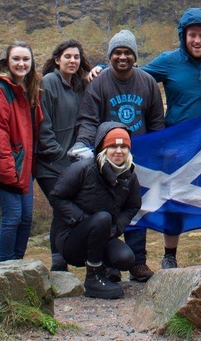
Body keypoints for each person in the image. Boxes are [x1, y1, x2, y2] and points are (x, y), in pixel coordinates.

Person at [137, 8, 201, 268]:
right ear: (183, 36)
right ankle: (170, 255)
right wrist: (102, 69)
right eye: (192, 35)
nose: (198, 40)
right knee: (173, 197)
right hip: (177, 146)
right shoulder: (168, 61)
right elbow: (136, 76)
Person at [76, 30, 165, 282]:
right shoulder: (99, 83)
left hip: (137, 160)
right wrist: (84, 145)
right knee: (106, 211)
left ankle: (138, 262)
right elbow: (88, 119)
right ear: (110, 56)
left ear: (134, 56)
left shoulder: (147, 82)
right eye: (117, 53)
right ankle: (109, 264)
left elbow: (156, 120)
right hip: (107, 160)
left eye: (127, 52)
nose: (122, 57)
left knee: (135, 209)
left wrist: (158, 152)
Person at [48, 122, 141, 300]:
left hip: (103, 232)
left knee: (125, 259)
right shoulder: (83, 168)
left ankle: (105, 268)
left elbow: (133, 206)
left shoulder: (129, 175)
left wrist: (117, 228)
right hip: (71, 238)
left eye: (123, 146)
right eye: (113, 146)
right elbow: (57, 197)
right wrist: (81, 218)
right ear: (103, 148)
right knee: (102, 219)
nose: (119, 151)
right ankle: (93, 277)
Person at [35, 39, 92, 272]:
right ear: (57, 59)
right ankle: (58, 259)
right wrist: (60, 154)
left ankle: (63, 259)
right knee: (62, 207)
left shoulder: (80, 85)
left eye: (76, 57)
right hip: (50, 164)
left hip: (71, 164)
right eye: (68, 56)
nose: (72, 61)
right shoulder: (49, 82)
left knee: (66, 209)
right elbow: (43, 125)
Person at [0, 41, 43, 262]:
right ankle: (6, 267)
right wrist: (7, 170)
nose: (21, 63)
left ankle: (17, 266)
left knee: (26, 217)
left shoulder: (31, 88)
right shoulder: (1, 89)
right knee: (13, 216)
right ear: (8, 61)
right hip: (7, 166)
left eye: (25, 59)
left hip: (25, 166)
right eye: (16, 59)